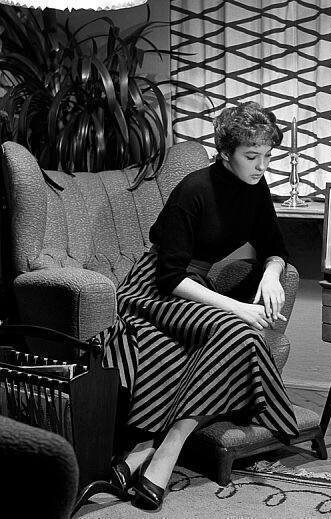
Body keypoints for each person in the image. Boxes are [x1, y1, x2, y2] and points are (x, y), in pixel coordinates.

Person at [101, 101, 299, 511]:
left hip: (196, 287)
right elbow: (170, 277)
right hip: (153, 289)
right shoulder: (193, 190)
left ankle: (155, 446)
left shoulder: (256, 188)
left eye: (267, 155)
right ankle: (165, 446)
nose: (262, 165)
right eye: (251, 156)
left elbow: (275, 246)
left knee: (232, 338)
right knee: (242, 333)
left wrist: (270, 273)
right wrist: (237, 308)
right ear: (225, 153)